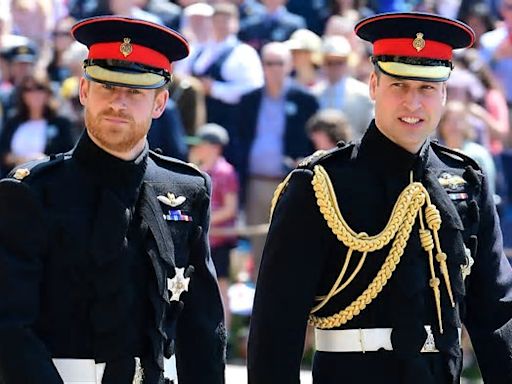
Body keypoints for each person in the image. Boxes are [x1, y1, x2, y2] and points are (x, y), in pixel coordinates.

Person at [248, 12, 512, 384]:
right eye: (399, 86)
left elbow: (496, 312)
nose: (413, 104)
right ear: (373, 84)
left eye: (426, 89)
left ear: (444, 93)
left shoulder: (466, 182)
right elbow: (276, 326)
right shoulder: (320, 185)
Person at [0, 16, 225, 384]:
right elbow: (9, 327)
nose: (118, 103)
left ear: (160, 102)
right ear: (85, 92)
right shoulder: (31, 193)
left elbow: (202, 327)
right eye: (107, 88)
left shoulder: (187, 190)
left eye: (135, 92)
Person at [189, 123, 239, 335]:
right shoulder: (196, 169)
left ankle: (223, 335)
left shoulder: (225, 173)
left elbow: (230, 209)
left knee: (221, 287)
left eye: (202, 144)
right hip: (201, 239)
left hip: (219, 241)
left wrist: (204, 218)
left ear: (215, 147)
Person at [0, 73, 74, 177]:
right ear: (22, 94)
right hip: (12, 182)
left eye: (40, 88)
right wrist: (21, 160)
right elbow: (2, 152)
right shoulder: (13, 121)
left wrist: (45, 160)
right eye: (28, 89)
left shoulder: (61, 123)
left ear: (48, 93)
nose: (34, 94)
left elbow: (69, 155)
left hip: (48, 181)